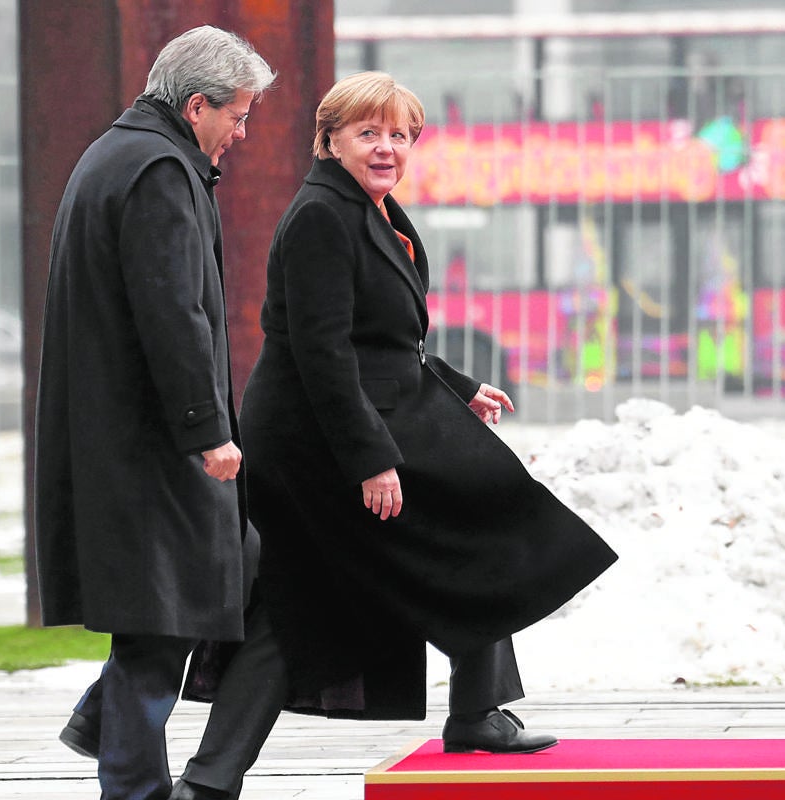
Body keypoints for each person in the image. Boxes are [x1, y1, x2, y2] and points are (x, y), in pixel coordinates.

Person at [168, 71, 618, 799]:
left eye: (400, 135)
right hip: (318, 444)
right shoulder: (322, 214)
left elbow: (380, 335)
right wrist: (370, 460)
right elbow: (321, 350)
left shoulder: (371, 210)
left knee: (405, 558)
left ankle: (215, 780)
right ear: (331, 140)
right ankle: (213, 779)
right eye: (368, 133)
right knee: (324, 591)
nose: (386, 148)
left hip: (365, 416)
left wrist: (457, 385)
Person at [33, 25, 274, 800]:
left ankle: (100, 725)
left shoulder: (121, 152)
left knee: (191, 592)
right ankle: (134, 785)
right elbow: (174, 314)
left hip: (120, 436)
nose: (241, 133)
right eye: (236, 116)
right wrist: (208, 430)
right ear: (196, 105)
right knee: (160, 620)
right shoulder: (161, 171)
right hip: (150, 444)